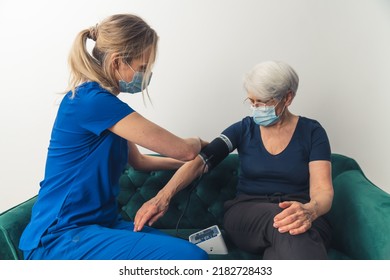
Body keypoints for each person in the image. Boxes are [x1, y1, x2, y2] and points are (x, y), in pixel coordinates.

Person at [19, 14, 208, 260]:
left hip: (101, 225)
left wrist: (188, 166)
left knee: (192, 253)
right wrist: (199, 145)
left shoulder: (104, 105)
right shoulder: (92, 101)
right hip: (60, 236)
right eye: (142, 68)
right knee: (191, 259)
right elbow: (184, 149)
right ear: (118, 61)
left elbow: (139, 161)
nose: (146, 75)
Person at [134, 60, 334, 260]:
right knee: (285, 223)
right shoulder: (243, 129)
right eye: (251, 101)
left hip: (301, 212)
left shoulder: (312, 132)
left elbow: (322, 191)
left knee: (292, 233)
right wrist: (162, 198)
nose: (255, 108)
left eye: (262, 102)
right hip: (247, 214)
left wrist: (309, 210)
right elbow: (200, 163)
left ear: (288, 97)